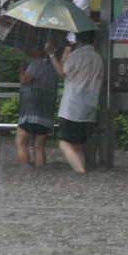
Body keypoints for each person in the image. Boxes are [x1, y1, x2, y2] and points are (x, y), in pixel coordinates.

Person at [45, 30, 102, 174]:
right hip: (89, 107)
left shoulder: (76, 55)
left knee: (64, 143)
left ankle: (81, 173)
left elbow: (63, 73)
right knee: (77, 145)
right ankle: (82, 175)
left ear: (77, 41)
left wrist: (51, 54)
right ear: (94, 41)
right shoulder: (98, 58)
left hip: (72, 107)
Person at [15, 45, 60, 168]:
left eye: (34, 47)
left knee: (21, 143)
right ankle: (40, 175)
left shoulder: (38, 63)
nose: (29, 49)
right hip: (46, 112)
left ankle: (25, 174)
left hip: (31, 111)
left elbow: (25, 79)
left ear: (41, 49)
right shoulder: (53, 65)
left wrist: (22, 69)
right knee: (39, 147)